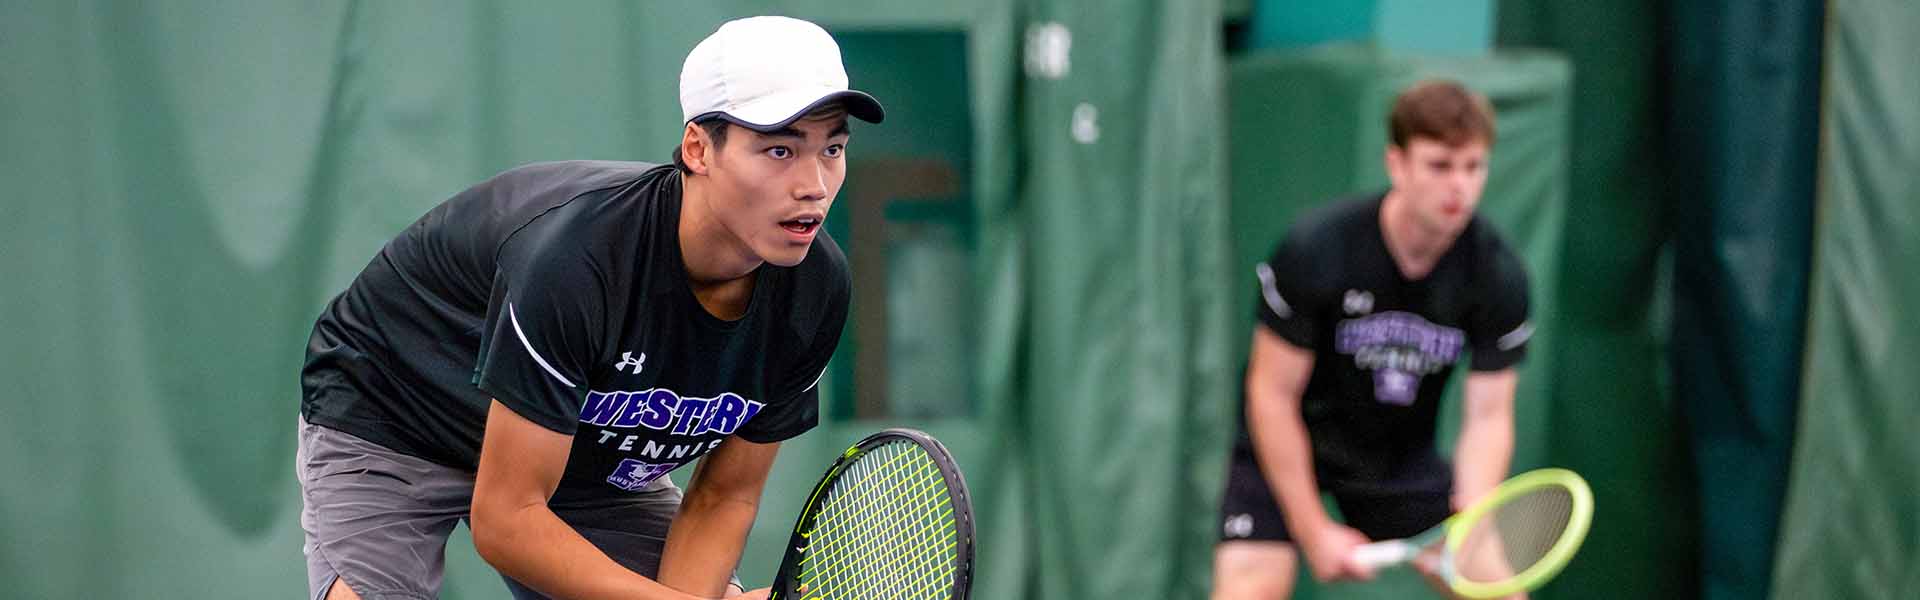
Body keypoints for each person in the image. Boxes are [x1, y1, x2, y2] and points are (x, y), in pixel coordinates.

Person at [295, 16, 882, 600]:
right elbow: (507, 521)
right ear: (699, 148)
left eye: (832, 148)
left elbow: (722, 497)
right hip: (397, 413)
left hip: (576, 448)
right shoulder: (578, 259)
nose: (814, 184)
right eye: (780, 149)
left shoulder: (815, 290)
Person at [1210, 80, 1533, 600]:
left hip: (1396, 460)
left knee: (1496, 590)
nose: (1460, 187)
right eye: (1440, 165)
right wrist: (1313, 529)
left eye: (1474, 167)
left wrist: (1473, 507)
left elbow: (1490, 415)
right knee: (1250, 585)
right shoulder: (1317, 248)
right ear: (1396, 163)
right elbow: (1271, 394)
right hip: (1287, 443)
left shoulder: (1498, 274)